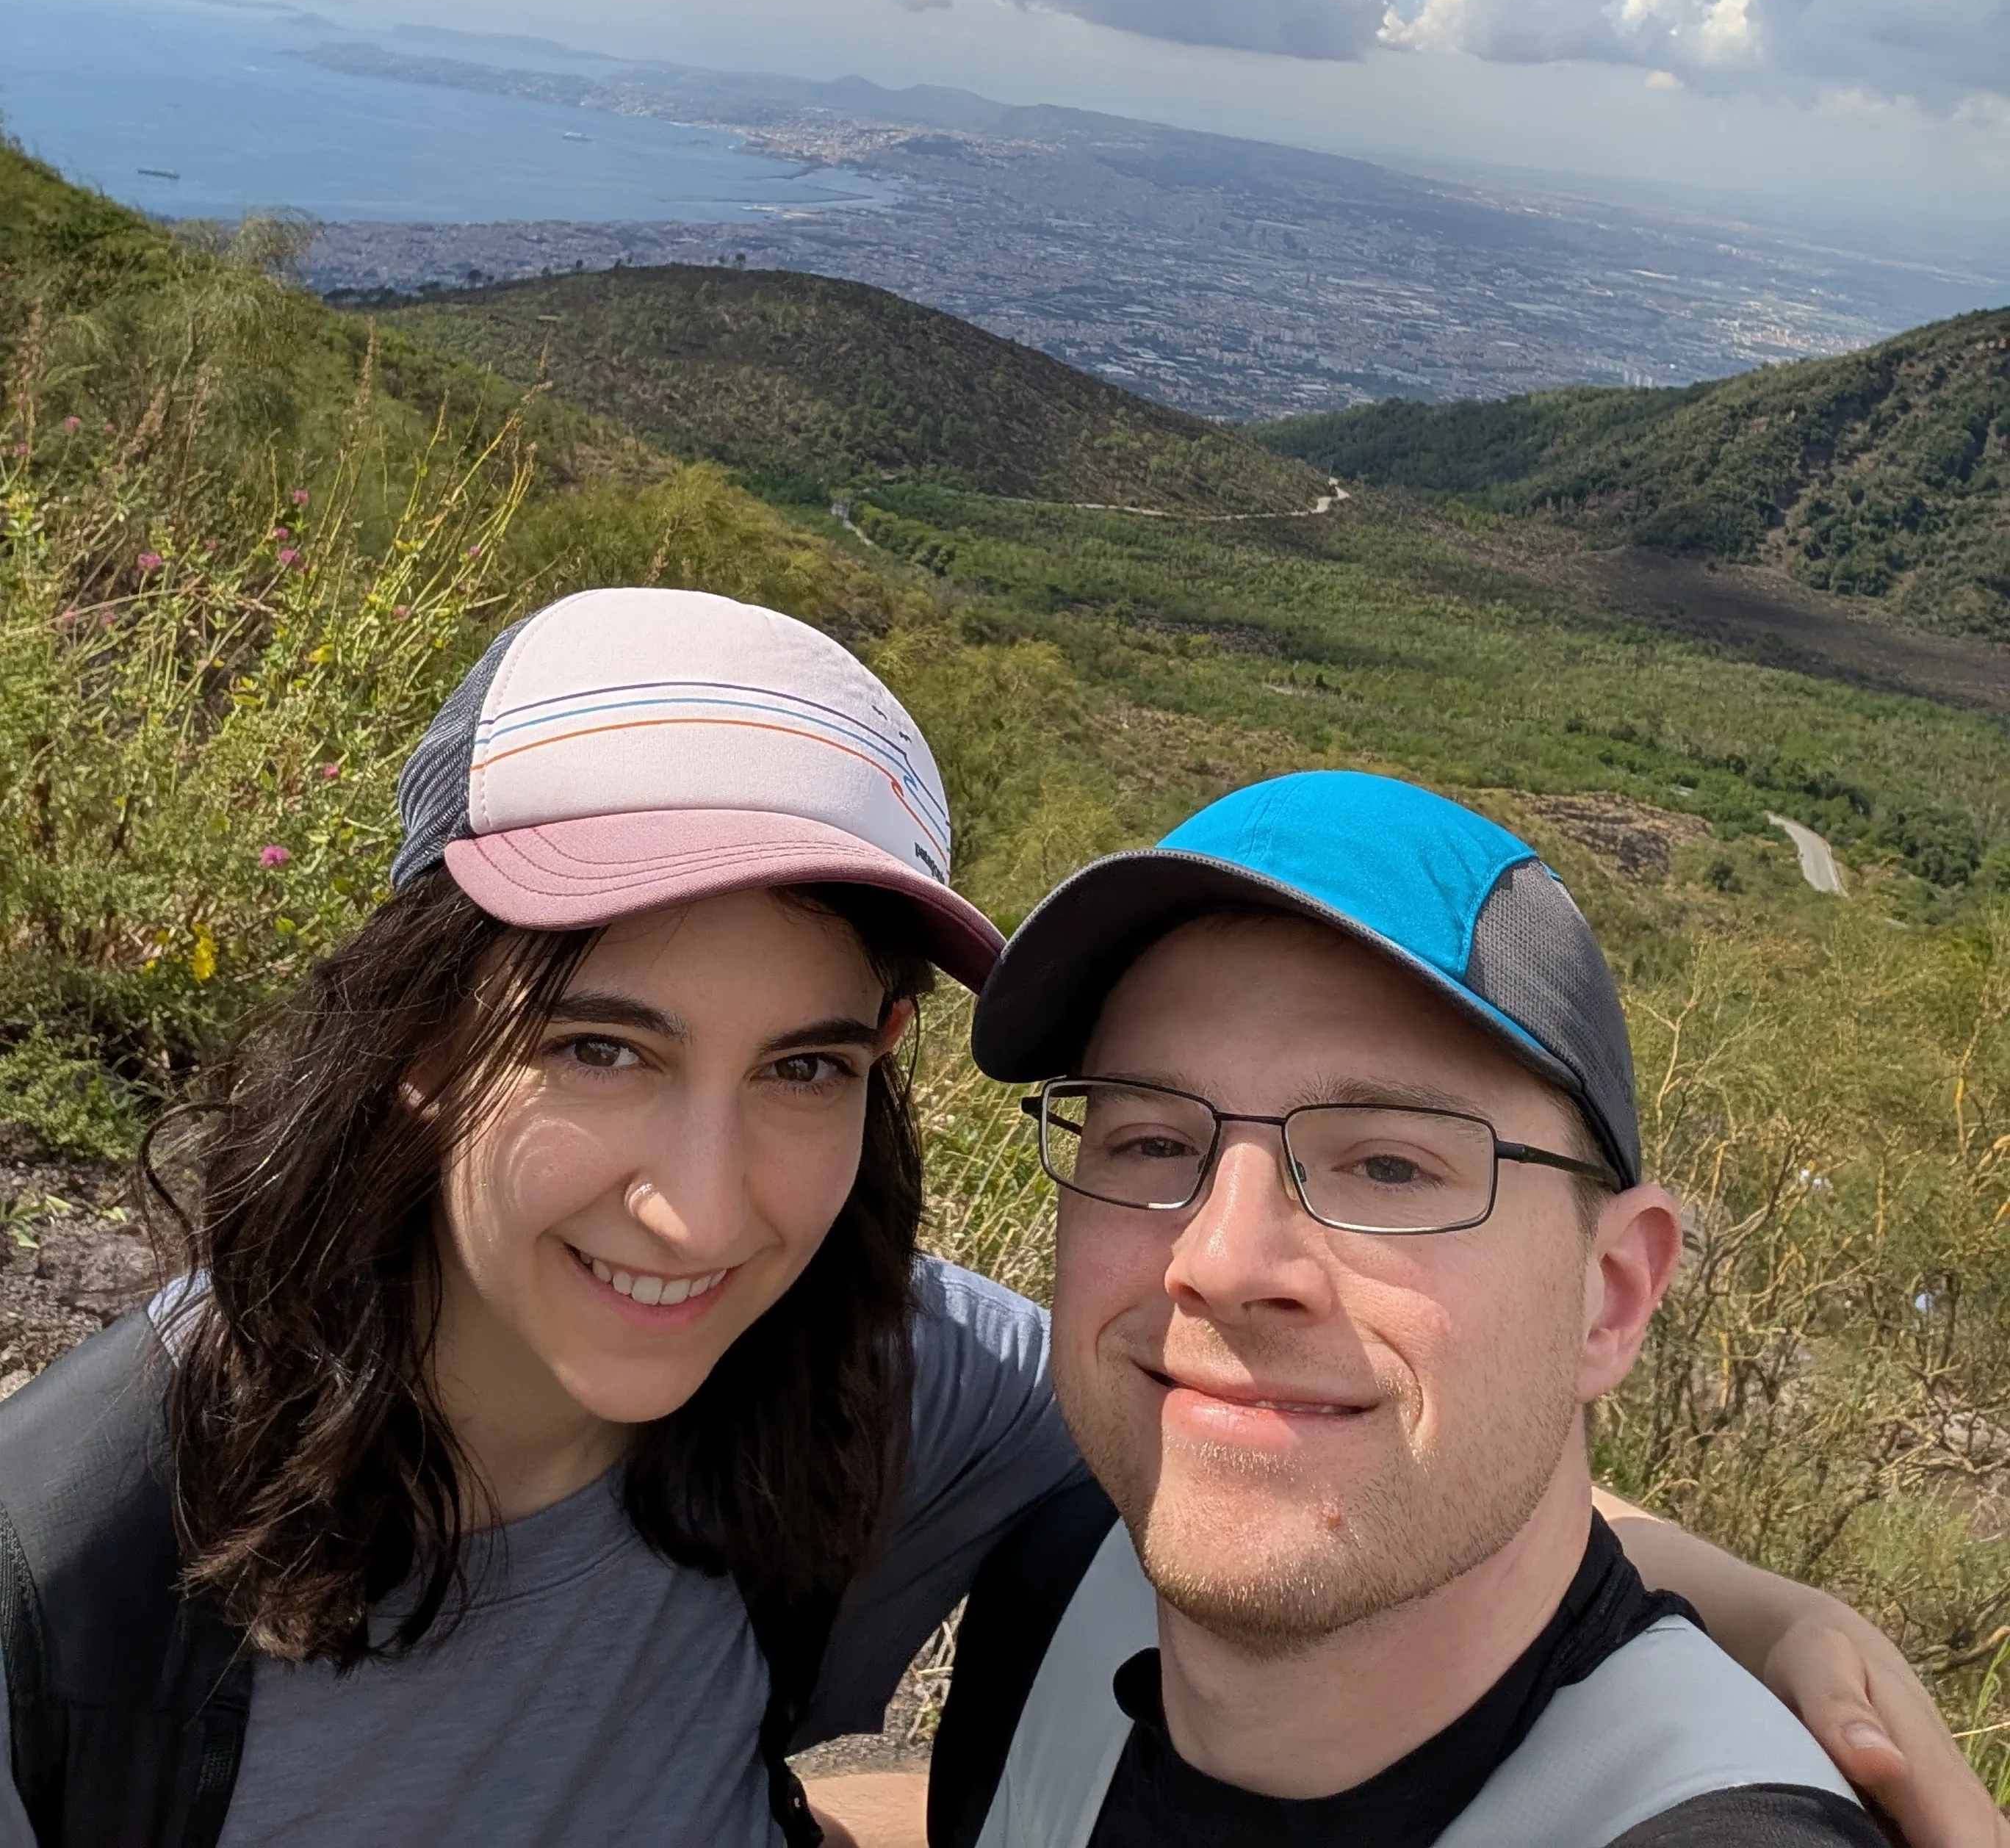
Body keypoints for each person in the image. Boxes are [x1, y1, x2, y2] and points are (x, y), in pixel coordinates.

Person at [0, 611, 1991, 1848]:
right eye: (601, 1047)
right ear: (422, 1042)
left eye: (803, 1070)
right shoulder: (77, 1569)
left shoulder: (862, 1368)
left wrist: (1762, 1616)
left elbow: (1300, 1440)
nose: (699, 1204)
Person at [921, 770, 1994, 1848]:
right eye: (1151, 1143)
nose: (1223, 1259)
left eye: (1388, 1168)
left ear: (1611, 1297)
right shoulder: (1055, 1579)